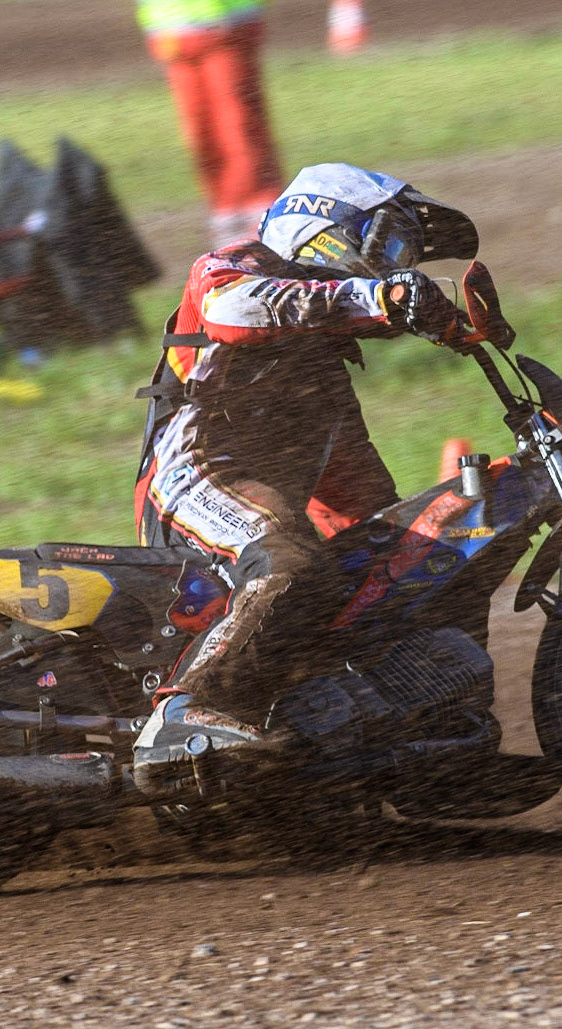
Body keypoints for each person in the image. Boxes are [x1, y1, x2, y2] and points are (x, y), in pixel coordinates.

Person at [131, 163, 479, 795]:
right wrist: (379, 299)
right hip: (194, 476)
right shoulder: (234, 267)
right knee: (288, 560)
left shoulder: (323, 367)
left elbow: (355, 492)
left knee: (378, 574)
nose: (397, 265)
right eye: (391, 246)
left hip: (260, 505)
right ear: (327, 230)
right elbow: (234, 312)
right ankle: (185, 714)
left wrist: (405, 554)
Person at [137, 0, 284, 246]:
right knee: (201, 134)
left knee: (239, 127)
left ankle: (260, 212)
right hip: (171, 32)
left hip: (226, 24)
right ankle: (227, 212)